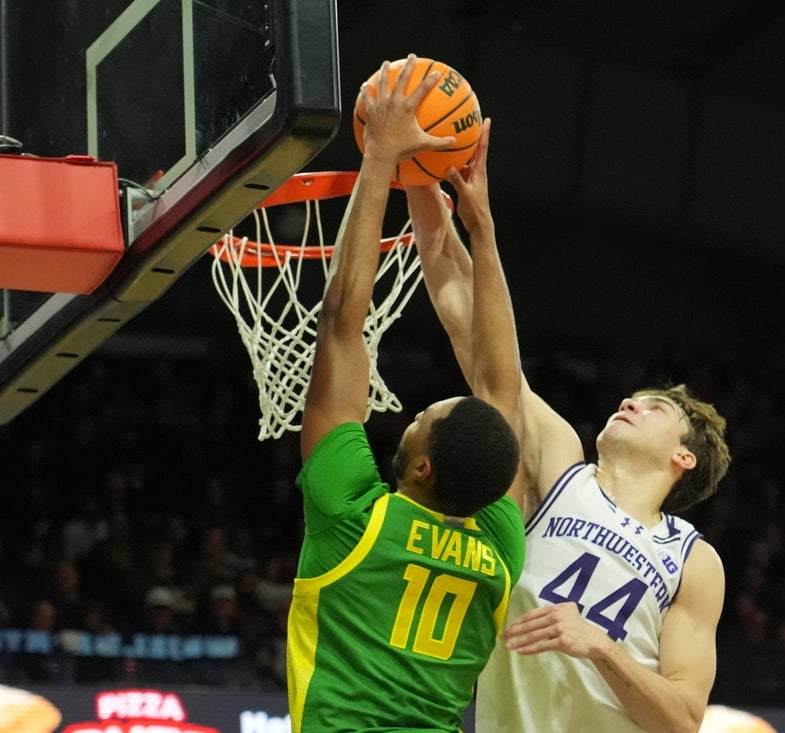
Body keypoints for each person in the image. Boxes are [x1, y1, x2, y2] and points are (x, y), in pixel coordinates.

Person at [408, 126, 732, 733]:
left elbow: (684, 720)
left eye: (655, 408)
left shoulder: (693, 561)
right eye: (631, 399)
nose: (630, 405)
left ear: (684, 458)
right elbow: (467, 322)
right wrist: (420, 173)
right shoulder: (561, 468)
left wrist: (600, 645)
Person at [285, 54, 526, 732]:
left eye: (422, 416)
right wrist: (445, 202)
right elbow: (499, 388)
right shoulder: (497, 547)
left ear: (421, 467)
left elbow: (340, 320)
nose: (413, 411)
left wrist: (382, 163)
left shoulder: (356, 521)